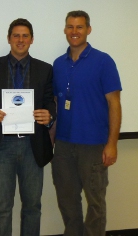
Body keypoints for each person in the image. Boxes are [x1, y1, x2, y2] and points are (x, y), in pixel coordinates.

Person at [0, 18, 56, 236]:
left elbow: (49, 101)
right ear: (9, 38)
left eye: (25, 35)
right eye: (16, 35)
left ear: (32, 39)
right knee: (0, 209)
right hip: (1, 146)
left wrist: (49, 114)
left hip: (33, 146)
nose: (21, 40)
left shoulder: (45, 69)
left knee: (32, 208)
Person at [51, 10, 122, 236]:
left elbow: (114, 104)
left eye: (79, 27)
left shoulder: (103, 61)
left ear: (88, 30)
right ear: (65, 30)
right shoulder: (58, 64)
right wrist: (50, 141)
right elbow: (55, 104)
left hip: (93, 146)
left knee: (95, 204)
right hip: (62, 145)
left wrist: (112, 144)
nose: (74, 31)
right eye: (70, 27)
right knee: (68, 202)